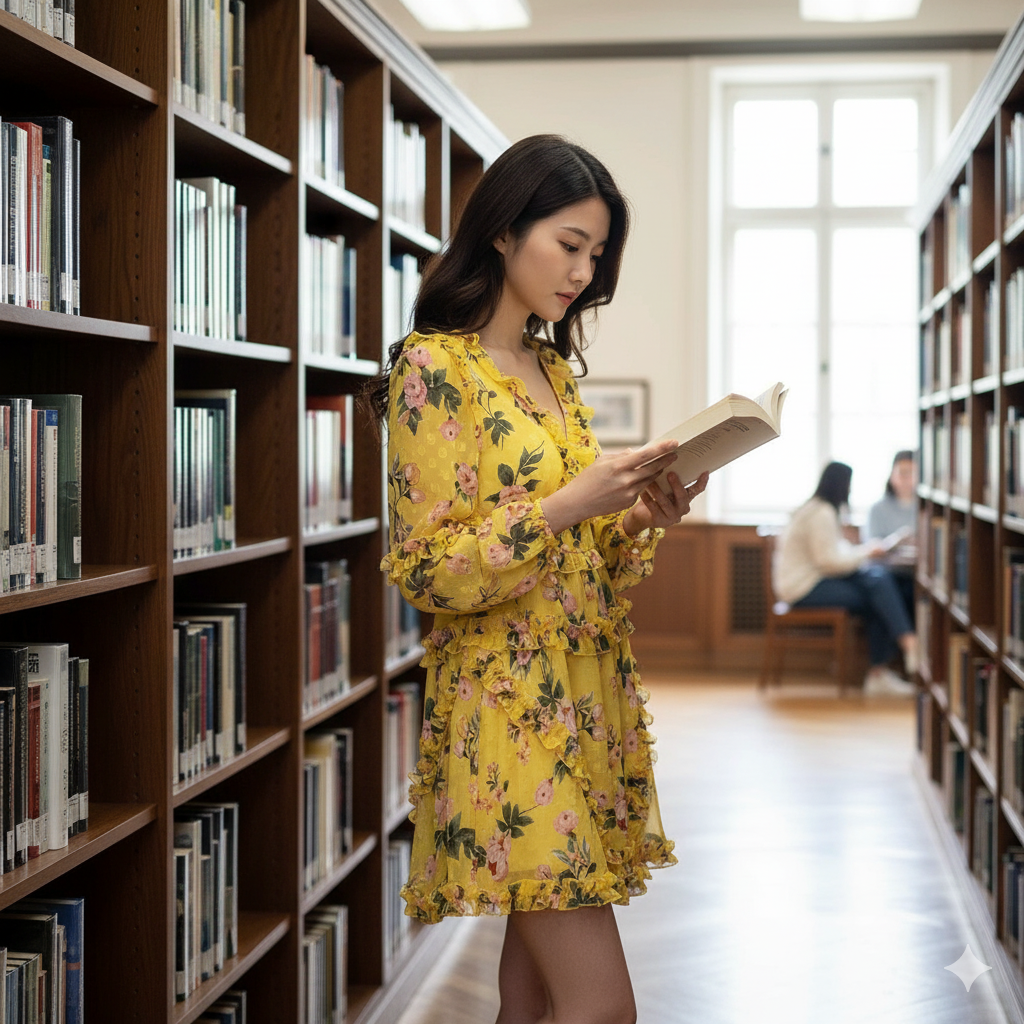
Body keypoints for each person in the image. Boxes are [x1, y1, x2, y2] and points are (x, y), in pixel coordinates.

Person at [368, 134, 707, 1024]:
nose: (584, 272)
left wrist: (635, 515)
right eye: (569, 245)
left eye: (596, 255)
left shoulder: (551, 369)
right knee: (602, 1009)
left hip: (584, 693)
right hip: (508, 705)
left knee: (530, 1004)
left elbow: (580, 563)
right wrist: (568, 504)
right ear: (503, 231)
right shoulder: (431, 370)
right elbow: (430, 571)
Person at [773, 461, 918, 697]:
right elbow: (829, 562)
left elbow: (833, 553)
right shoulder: (821, 513)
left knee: (878, 581)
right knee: (878, 594)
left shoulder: (818, 509)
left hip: (811, 580)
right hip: (802, 588)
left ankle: (891, 660)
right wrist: (866, 552)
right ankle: (895, 657)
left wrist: (861, 554)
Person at [866, 450, 917, 619]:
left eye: (912, 473)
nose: (907, 479)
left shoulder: (926, 508)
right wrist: (896, 540)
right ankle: (906, 642)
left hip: (917, 573)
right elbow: (872, 547)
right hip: (889, 572)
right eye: (902, 473)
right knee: (883, 592)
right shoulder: (877, 509)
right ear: (892, 475)